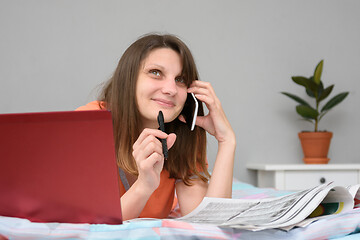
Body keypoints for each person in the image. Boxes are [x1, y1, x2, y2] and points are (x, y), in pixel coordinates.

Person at [77, 33, 236, 220]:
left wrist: (227, 141)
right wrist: (144, 186)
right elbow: (90, 222)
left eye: (180, 79)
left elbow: (210, 223)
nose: (170, 89)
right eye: (155, 72)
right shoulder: (88, 123)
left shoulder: (183, 133)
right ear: (128, 78)